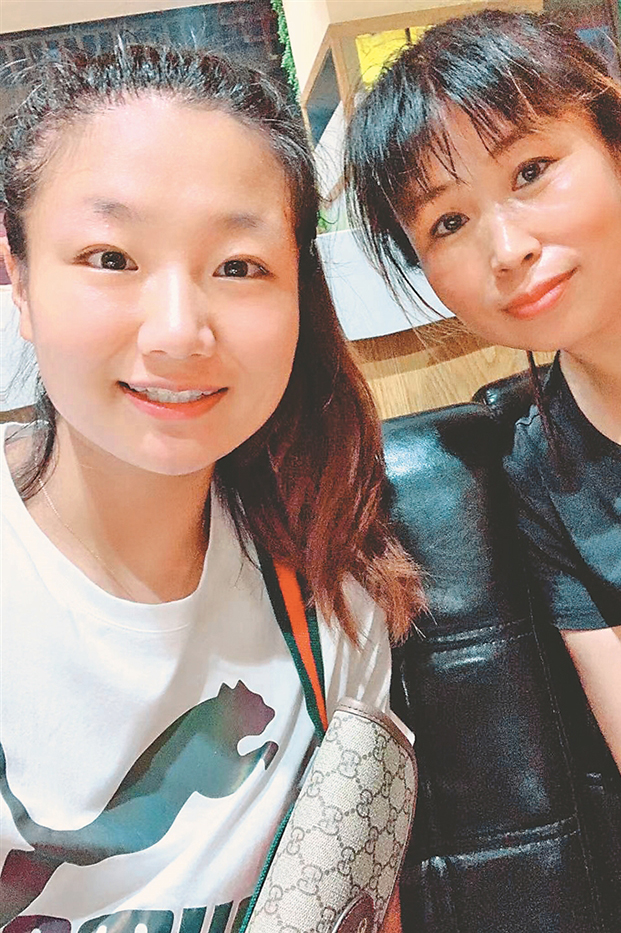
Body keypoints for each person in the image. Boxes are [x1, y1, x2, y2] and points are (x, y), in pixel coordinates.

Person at [0, 44, 420, 928]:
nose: (178, 331)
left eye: (237, 265)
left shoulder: (329, 598)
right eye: (111, 257)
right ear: (20, 276)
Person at [345, 9, 621, 902]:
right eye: (448, 221)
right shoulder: (547, 474)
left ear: (619, 140)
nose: (507, 250)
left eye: (532, 171)